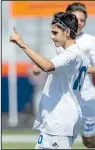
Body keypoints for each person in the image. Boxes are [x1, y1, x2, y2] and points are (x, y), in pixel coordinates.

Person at [10, 12, 88, 149]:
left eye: (55, 32)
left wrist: (23, 45)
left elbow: (48, 66)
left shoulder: (71, 53)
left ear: (67, 32)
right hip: (56, 121)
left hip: (60, 120)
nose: (52, 37)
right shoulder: (77, 54)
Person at [64, 3, 95, 148]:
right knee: (61, 137)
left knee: (89, 142)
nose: (80, 23)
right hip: (64, 97)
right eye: (77, 19)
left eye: (83, 20)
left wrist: (82, 69)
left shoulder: (90, 41)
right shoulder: (58, 38)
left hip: (87, 97)